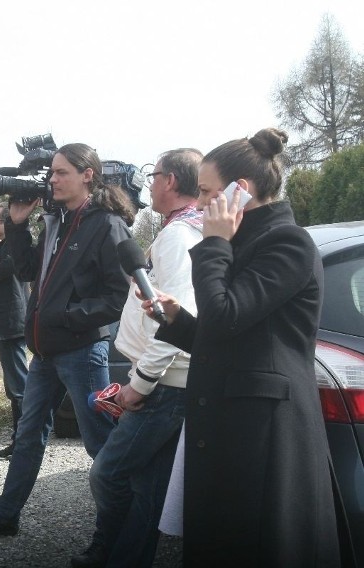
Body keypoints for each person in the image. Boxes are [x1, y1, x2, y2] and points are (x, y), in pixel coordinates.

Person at [144, 128, 340, 566]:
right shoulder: (244, 241)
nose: (198, 203)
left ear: (241, 190)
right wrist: (175, 319)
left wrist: (213, 243)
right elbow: (226, 337)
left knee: (259, 546)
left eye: (208, 191)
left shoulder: (287, 243)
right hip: (236, 423)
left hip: (265, 431)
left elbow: (227, 315)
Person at [0, 143, 133, 537]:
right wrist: (17, 225)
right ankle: (4, 516)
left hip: (83, 350)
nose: (51, 179)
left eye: (61, 172)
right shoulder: (59, 220)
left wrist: (70, 318)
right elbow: (24, 270)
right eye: (50, 172)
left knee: (100, 443)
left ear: (88, 175)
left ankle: (117, 534)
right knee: (28, 435)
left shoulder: (105, 224)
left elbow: (119, 295)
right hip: (48, 352)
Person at [72, 148, 204, 567]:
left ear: (171, 182)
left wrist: (139, 385)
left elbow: (176, 318)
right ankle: (121, 557)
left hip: (164, 385)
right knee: (148, 488)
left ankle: (112, 551)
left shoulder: (179, 237)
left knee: (107, 474)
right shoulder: (181, 231)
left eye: (155, 173)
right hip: (164, 381)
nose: (149, 181)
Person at [0, 203, 29, 458]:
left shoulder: (14, 245)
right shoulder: (5, 247)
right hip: (4, 325)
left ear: (6, 223)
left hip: (12, 324)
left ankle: (23, 442)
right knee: (14, 388)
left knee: (19, 387)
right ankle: (18, 440)